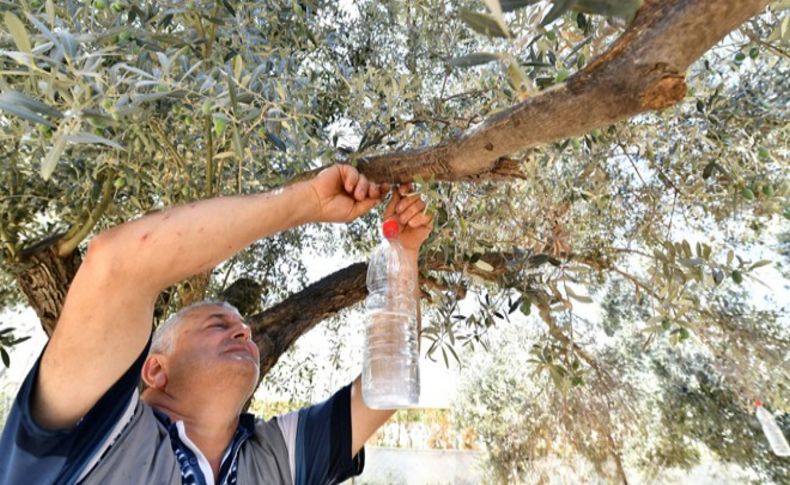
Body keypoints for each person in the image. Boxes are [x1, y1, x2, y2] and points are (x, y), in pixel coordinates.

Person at [0, 164, 433, 485]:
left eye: (241, 325)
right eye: (216, 325)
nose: (244, 331)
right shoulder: (93, 433)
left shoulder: (275, 458)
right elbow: (118, 265)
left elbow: (388, 385)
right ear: (154, 370)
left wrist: (402, 255)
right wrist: (306, 202)